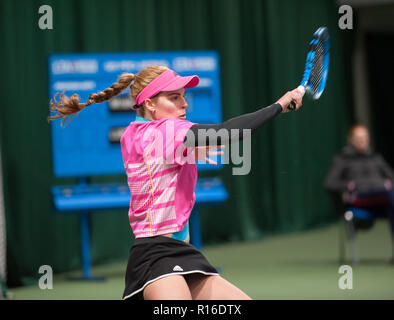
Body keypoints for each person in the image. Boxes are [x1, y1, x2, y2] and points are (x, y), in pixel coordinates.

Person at [48, 65, 303, 300]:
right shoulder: (167, 131)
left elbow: (159, 156)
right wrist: (280, 105)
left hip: (182, 253)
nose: (184, 104)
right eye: (174, 97)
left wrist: (190, 149)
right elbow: (227, 132)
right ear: (150, 104)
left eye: (183, 96)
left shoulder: (133, 134)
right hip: (156, 255)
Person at [324, 124, 394, 263]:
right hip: (359, 200)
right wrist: (350, 185)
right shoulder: (343, 160)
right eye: (358, 138)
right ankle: (358, 223)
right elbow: (329, 183)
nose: (362, 141)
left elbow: (391, 177)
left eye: (365, 138)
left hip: (383, 200)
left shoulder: (375, 158)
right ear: (351, 140)